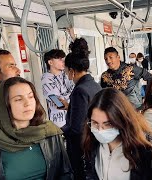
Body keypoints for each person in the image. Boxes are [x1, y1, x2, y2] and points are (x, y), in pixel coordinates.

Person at [0, 77, 73, 179]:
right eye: (18, 99)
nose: (27, 103)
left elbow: (65, 173)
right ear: (4, 105)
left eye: (31, 97)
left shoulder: (49, 133)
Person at [81, 88, 152, 180]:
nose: (100, 130)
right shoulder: (91, 143)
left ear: (122, 121)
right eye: (95, 123)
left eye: (108, 124)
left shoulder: (144, 150)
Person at [61, 39, 102, 179]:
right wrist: (69, 108)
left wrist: (59, 131)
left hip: (81, 147)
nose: (67, 76)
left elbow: (77, 128)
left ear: (72, 71)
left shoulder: (80, 90)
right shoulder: (94, 85)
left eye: (66, 72)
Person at [41, 49, 74, 127]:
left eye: (63, 59)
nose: (63, 61)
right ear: (50, 62)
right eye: (59, 59)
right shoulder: (46, 79)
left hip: (72, 116)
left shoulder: (66, 74)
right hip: (60, 121)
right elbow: (58, 102)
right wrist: (69, 95)